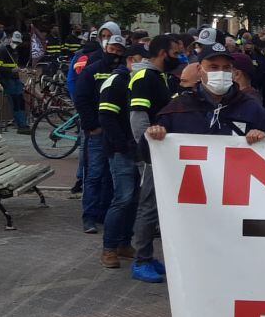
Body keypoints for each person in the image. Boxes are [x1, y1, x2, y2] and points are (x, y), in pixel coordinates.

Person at [146, 42, 265, 317]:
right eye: (212, 65)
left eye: (225, 65)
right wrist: (156, 138)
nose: (219, 72)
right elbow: (147, 154)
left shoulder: (250, 108)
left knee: (248, 289)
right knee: (190, 290)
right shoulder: (177, 110)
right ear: (199, 69)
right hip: (195, 223)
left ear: (234, 71)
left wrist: (263, 139)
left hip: (243, 219)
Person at [126, 35, 183, 283]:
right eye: (175, 53)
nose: (179, 57)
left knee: (155, 207)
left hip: (159, 151)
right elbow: (138, 118)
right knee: (148, 206)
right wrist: (148, 149)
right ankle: (141, 260)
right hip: (152, 154)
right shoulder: (144, 78)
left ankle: (147, 256)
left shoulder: (159, 77)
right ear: (161, 53)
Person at [97, 44, 148, 268]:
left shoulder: (138, 82)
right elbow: (107, 117)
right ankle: (109, 248)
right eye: (138, 60)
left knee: (134, 199)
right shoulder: (116, 82)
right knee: (123, 198)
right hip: (121, 150)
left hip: (135, 149)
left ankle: (124, 243)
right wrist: (121, 144)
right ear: (129, 61)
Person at [74, 34, 128, 234]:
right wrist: (91, 126)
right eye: (112, 49)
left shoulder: (123, 75)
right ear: (106, 49)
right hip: (97, 132)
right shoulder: (92, 71)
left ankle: (104, 214)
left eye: (119, 50)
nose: (115, 53)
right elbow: (82, 99)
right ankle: (89, 216)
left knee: (109, 175)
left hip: (113, 132)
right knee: (94, 174)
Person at [0, 32, 31, 133]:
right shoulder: (2, 50)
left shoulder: (14, 51)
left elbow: (13, 65)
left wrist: (20, 70)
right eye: (14, 42)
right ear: (9, 39)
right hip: (6, 78)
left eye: (18, 42)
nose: (16, 44)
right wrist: (11, 71)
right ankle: (21, 125)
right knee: (16, 100)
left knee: (20, 100)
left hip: (15, 78)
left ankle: (22, 123)